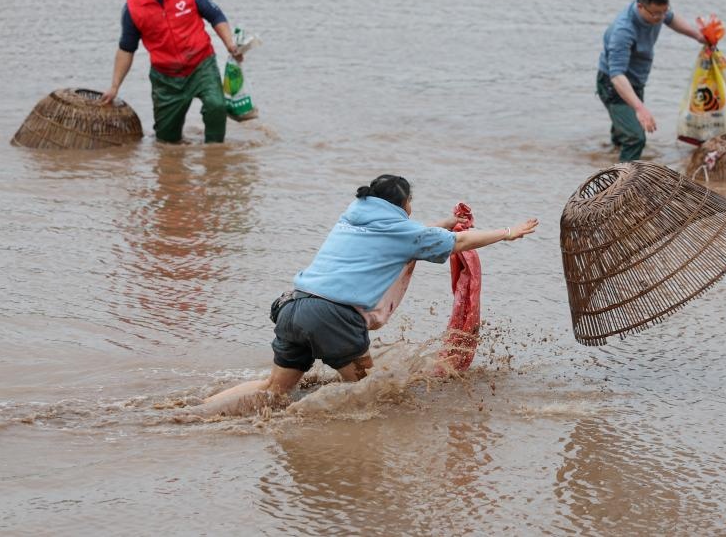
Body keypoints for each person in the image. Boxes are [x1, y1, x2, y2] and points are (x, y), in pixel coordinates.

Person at [192, 174, 539, 416]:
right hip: (331, 316)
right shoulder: (399, 228)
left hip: (292, 306)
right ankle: (326, 431)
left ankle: (195, 413)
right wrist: (508, 233)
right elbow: (454, 242)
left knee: (273, 388)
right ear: (404, 204)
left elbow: (411, 236)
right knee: (372, 393)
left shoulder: (353, 218)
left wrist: (446, 223)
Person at [101, 0, 242, 143]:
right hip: (166, 77)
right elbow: (126, 49)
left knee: (216, 106)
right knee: (167, 142)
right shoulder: (133, 8)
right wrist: (114, 86)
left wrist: (229, 44)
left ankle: (215, 157)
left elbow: (216, 15)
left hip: (201, 65)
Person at [596, 0, 705, 161]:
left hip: (636, 80)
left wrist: (698, 36)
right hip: (613, 84)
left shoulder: (657, 12)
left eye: (664, 11)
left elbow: (672, 19)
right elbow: (616, 75)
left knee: (623, 134)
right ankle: (623, 184)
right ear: (640, 6)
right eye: (656, 14)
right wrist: (640, 108)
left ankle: (610, 156)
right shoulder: (623, 31)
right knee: (635, 138)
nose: (661, 18)